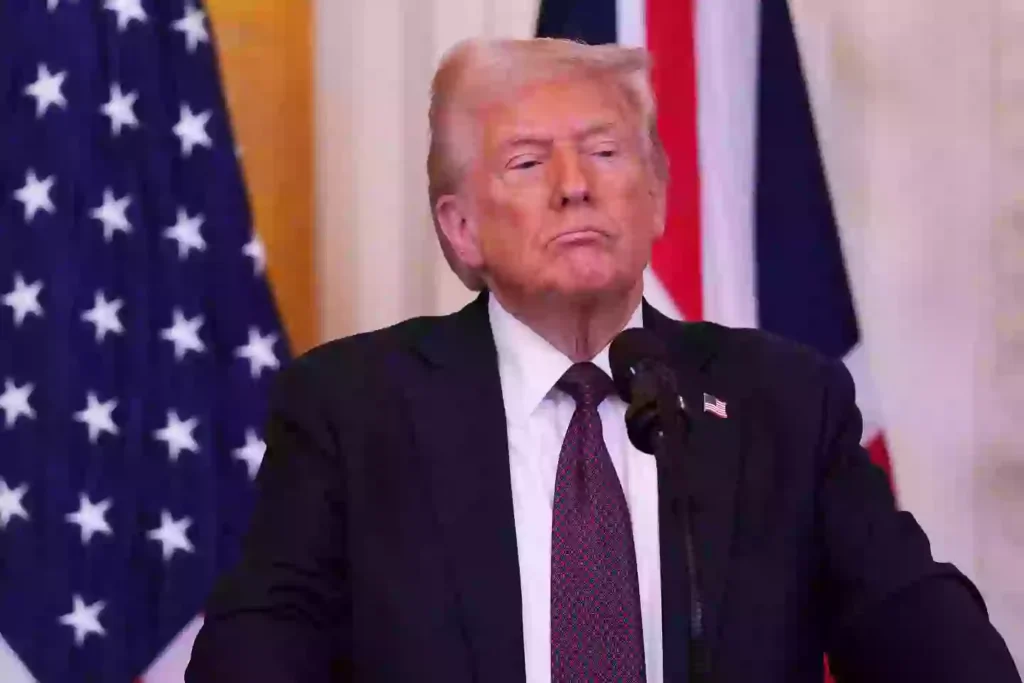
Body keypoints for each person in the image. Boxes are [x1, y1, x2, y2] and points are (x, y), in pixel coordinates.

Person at [185, 37, 1021, 683]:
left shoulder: (784, 403)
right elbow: (252, 659)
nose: (575, 184)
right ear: (461, 228)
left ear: (655, 197)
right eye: (527, 161)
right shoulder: (353, 410)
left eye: (606, 151)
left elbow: (932, 641)